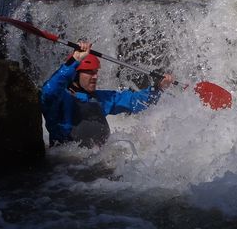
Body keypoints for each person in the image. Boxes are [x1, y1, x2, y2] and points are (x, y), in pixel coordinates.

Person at [40, 41, 173, 148]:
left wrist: (158, 88)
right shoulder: (60, 100)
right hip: (68, 169)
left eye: (96, 72)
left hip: (97, 167)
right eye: (90, 72)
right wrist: (74, 61)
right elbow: (48, 91)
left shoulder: (100, 98)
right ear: (75, 76)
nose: (95, 77)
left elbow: (135, 101)